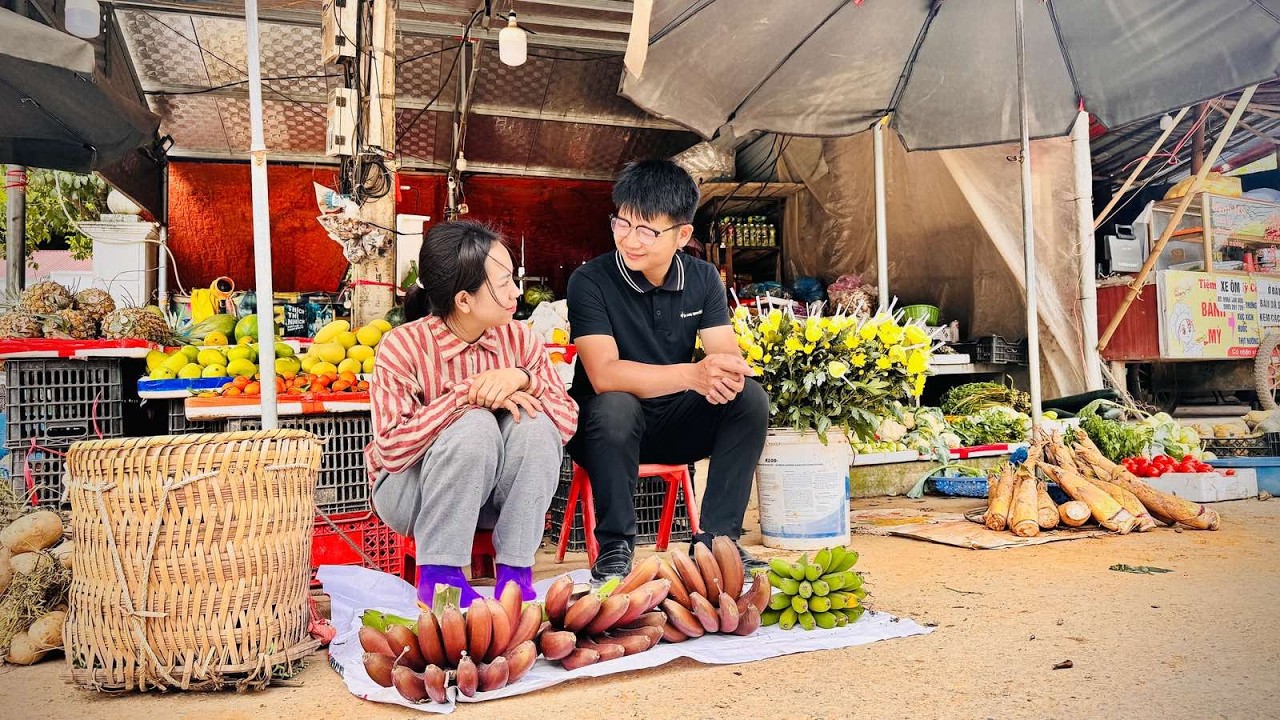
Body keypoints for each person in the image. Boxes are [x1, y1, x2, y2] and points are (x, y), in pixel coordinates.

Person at [566, 159, 770, 584]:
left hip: (674, 425)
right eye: (622, 224)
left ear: (683, 235)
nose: (630, 240)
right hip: (605, 435)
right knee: (615, 405)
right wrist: (693, 375)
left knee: (749, 398)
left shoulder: (703, 278)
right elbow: (604, 374)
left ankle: (718, 542)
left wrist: (726, 374)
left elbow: (724, 358)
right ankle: (616, 546)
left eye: (647, 230)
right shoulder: (590, 281)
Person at [367, 221, 578, 608]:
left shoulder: (520, 338)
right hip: (413, 495)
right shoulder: (402, 346)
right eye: (504, 283)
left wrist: (524, 379)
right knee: (475, 425)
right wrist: (465, 396)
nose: (516, 292)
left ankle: (515, 573)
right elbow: (392, 451)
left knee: (534, 423)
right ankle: (440, 577)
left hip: (496, 499)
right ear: (464, 300)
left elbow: (566, 423)